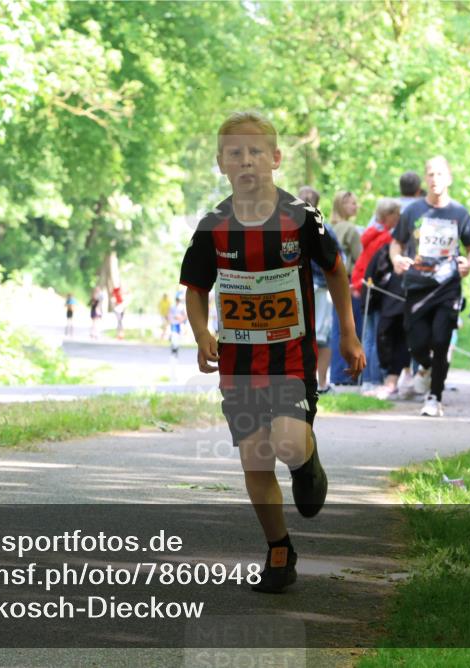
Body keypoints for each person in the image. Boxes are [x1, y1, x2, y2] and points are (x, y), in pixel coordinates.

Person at [180, 112, 364, 594]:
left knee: (287, 443)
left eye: (256, 151)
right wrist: (201, 333)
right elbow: (196, 289)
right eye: (235, 153)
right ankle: (280, 551)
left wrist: (348, 335)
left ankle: (307, 463)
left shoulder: (301, 218)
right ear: (221, 162)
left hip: (291, 360)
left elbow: (336, 271)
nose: (246, 161)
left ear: (276, 158)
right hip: (238, 365)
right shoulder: (213, 226)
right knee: (255, 459)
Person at [390, 156, 470, 417]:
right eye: (430, 174)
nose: (434, 178)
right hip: (417, 284)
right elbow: (396, 243)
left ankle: (434, 397)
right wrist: (397, 259)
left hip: (448, 286)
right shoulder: (413, 211)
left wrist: (469, 263)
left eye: (440, 174)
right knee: (416, 344)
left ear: (448, 178)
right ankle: (427, 367)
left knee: (441, 340)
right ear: (425, 179)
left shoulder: (460, 213)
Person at [353, 198, 400, 391]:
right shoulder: (386, 239)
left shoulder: (371, 233)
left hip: (364, 286)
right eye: (396, 215)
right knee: (377, 336)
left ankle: (366, 379)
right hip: (377, 290)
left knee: (368, 336)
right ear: (389, 216)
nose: (398, 219)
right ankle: (374, 379)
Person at [299, 185, 339, 393]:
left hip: (301, 287)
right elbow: (336, 261)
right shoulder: (324, 228)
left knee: (302, 334)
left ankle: (314, 382)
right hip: (319, 287)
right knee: (320, 336)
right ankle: (319, 383)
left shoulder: (286, 227)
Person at [329, 191, 363, 385]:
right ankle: (349, 374)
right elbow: (360, 259)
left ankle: (337, 374)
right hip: (350, 282)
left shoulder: (329, 227)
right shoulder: (350, 229)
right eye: (351, 203)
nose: (355, 206)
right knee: (351, 328)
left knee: (337, 328)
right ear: (341, 206)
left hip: (332, 282)